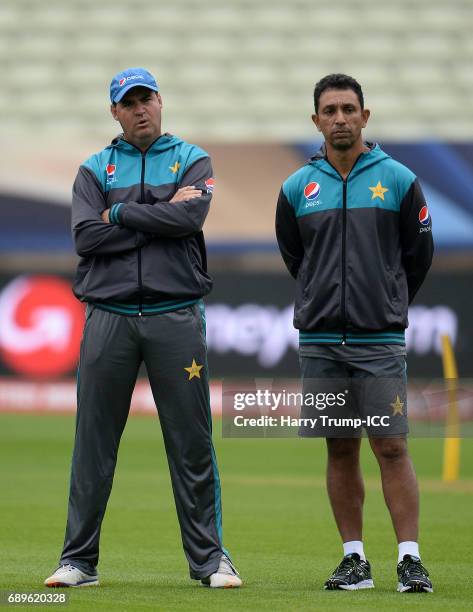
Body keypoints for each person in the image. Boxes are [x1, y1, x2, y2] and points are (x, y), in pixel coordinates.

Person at [44, 67, 241, 589]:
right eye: (128, 102)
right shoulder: (94, 168)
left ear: (160, 100)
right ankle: (78, 562)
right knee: (93, 443)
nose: (139, 109)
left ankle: (210, 561)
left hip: (174, 315)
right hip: (108, 316)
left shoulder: (192, 158)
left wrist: (119, 215)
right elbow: (86, 237)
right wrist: (154, 214)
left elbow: (188, 222)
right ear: (114, 111)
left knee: (191, 442)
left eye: (146, 98)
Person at [276, 74, 433, 593]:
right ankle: (354, 560)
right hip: (321, 341)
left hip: (378, 341)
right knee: (340, 448)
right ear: (315, 120)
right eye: (330, 110)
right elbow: (294, 256)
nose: (339, 118)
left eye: (348, 109)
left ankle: (410, 560)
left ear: (366, 117)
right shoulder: (297, 188)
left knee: (391, 446)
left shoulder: (401, 180)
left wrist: (385, 301)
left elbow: (418, 255)